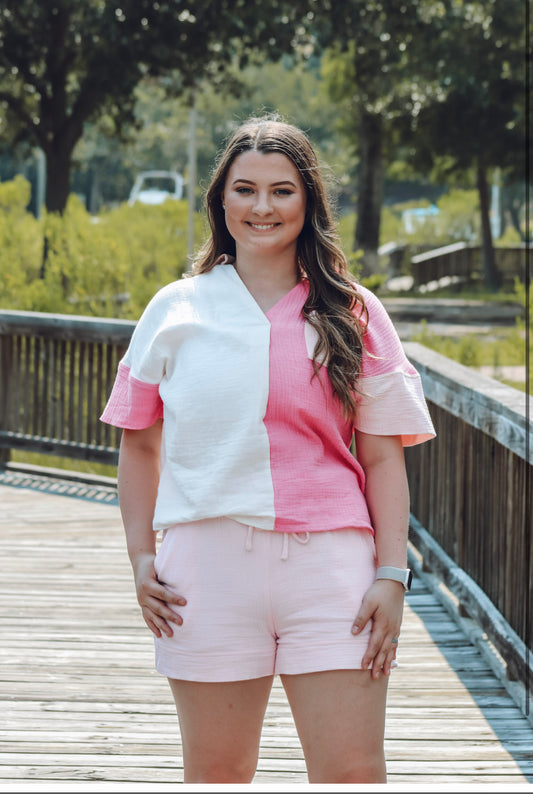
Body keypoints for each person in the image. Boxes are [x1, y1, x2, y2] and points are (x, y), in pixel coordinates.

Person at [100, 114, 435, 784]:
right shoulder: (174, 310)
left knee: (352, 773)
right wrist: (140, 558)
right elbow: (138, 448)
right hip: (205, 572)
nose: (262, 206)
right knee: (217, 774)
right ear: (221, 201)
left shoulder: (352, 312)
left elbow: (381, 457)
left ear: (307, 202)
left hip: (333, 573)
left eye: (281, 190)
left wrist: (391, 575)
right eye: (244, 188)